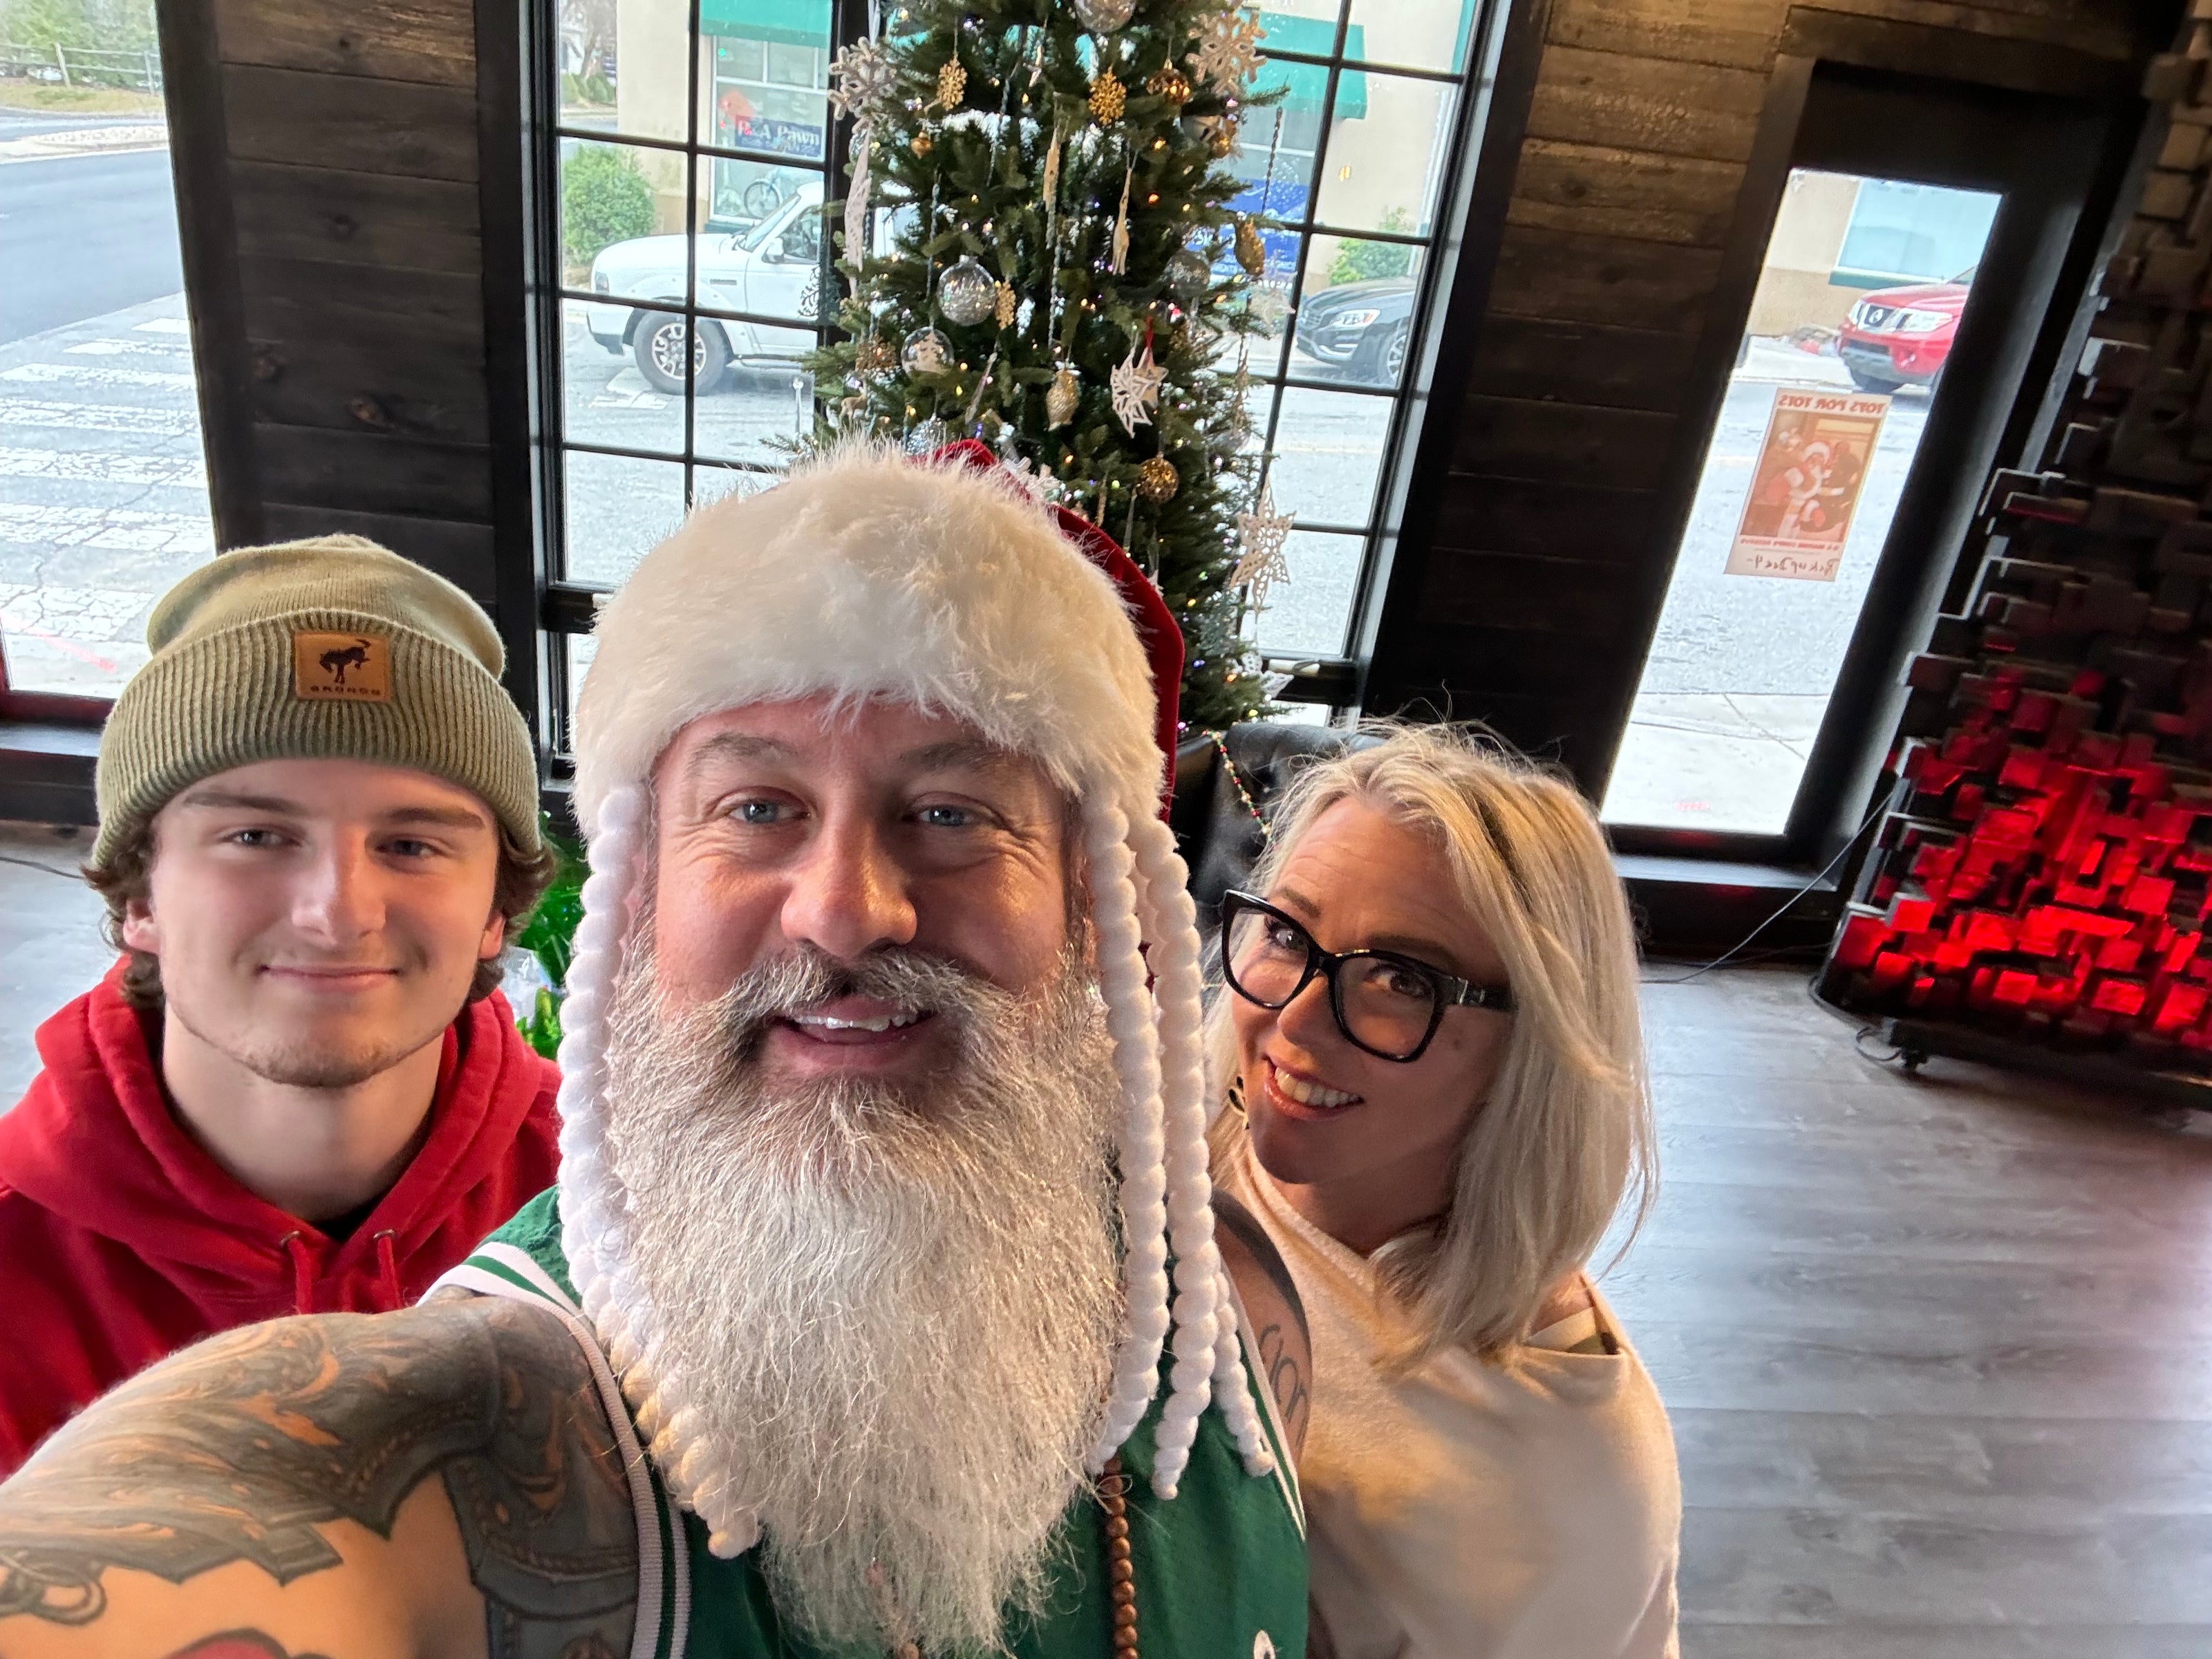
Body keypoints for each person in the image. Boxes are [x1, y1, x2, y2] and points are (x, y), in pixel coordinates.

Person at [0, 442, 1311, 1659]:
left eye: (956, 811)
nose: (845, 908)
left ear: (1096, 905)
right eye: (755, 807)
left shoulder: (1214, 1292)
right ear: (636, 897)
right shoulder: (504, 1384)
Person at [0, 536, 559, 1476]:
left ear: (496, 911)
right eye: (256, 835)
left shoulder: (619, 1206)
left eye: (413, 844)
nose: (338, 913)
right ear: (139, 895)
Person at [1210, 722, 1682, 1658]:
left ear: (1537, 1044)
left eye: (1399, 977)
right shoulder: (1201, 1140)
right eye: (1287, 931)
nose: (1294, 1019)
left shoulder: (1559, 1489)